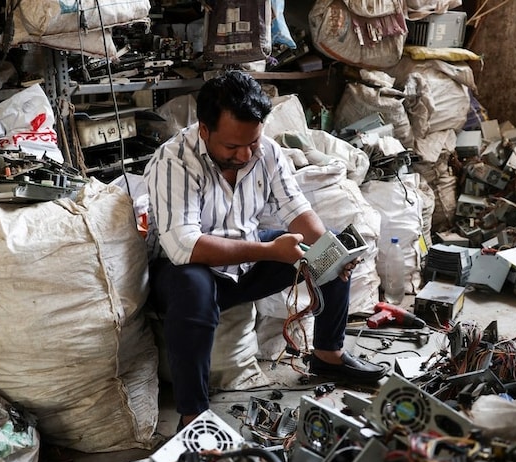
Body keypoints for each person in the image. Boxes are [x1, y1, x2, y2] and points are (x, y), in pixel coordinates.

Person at [144, 71, 387, 427]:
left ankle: (327, 354)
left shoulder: (267, 151)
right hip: (185, 271)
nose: (245, 155)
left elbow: (297, 210)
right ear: (204, 129)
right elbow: (185, 247)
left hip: (248, 259)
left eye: (252, 143)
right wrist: (269, 251)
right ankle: (193, 415)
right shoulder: (174, 161)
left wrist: (331, 255)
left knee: (331, 247)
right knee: (192, 287)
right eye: (232, 147)